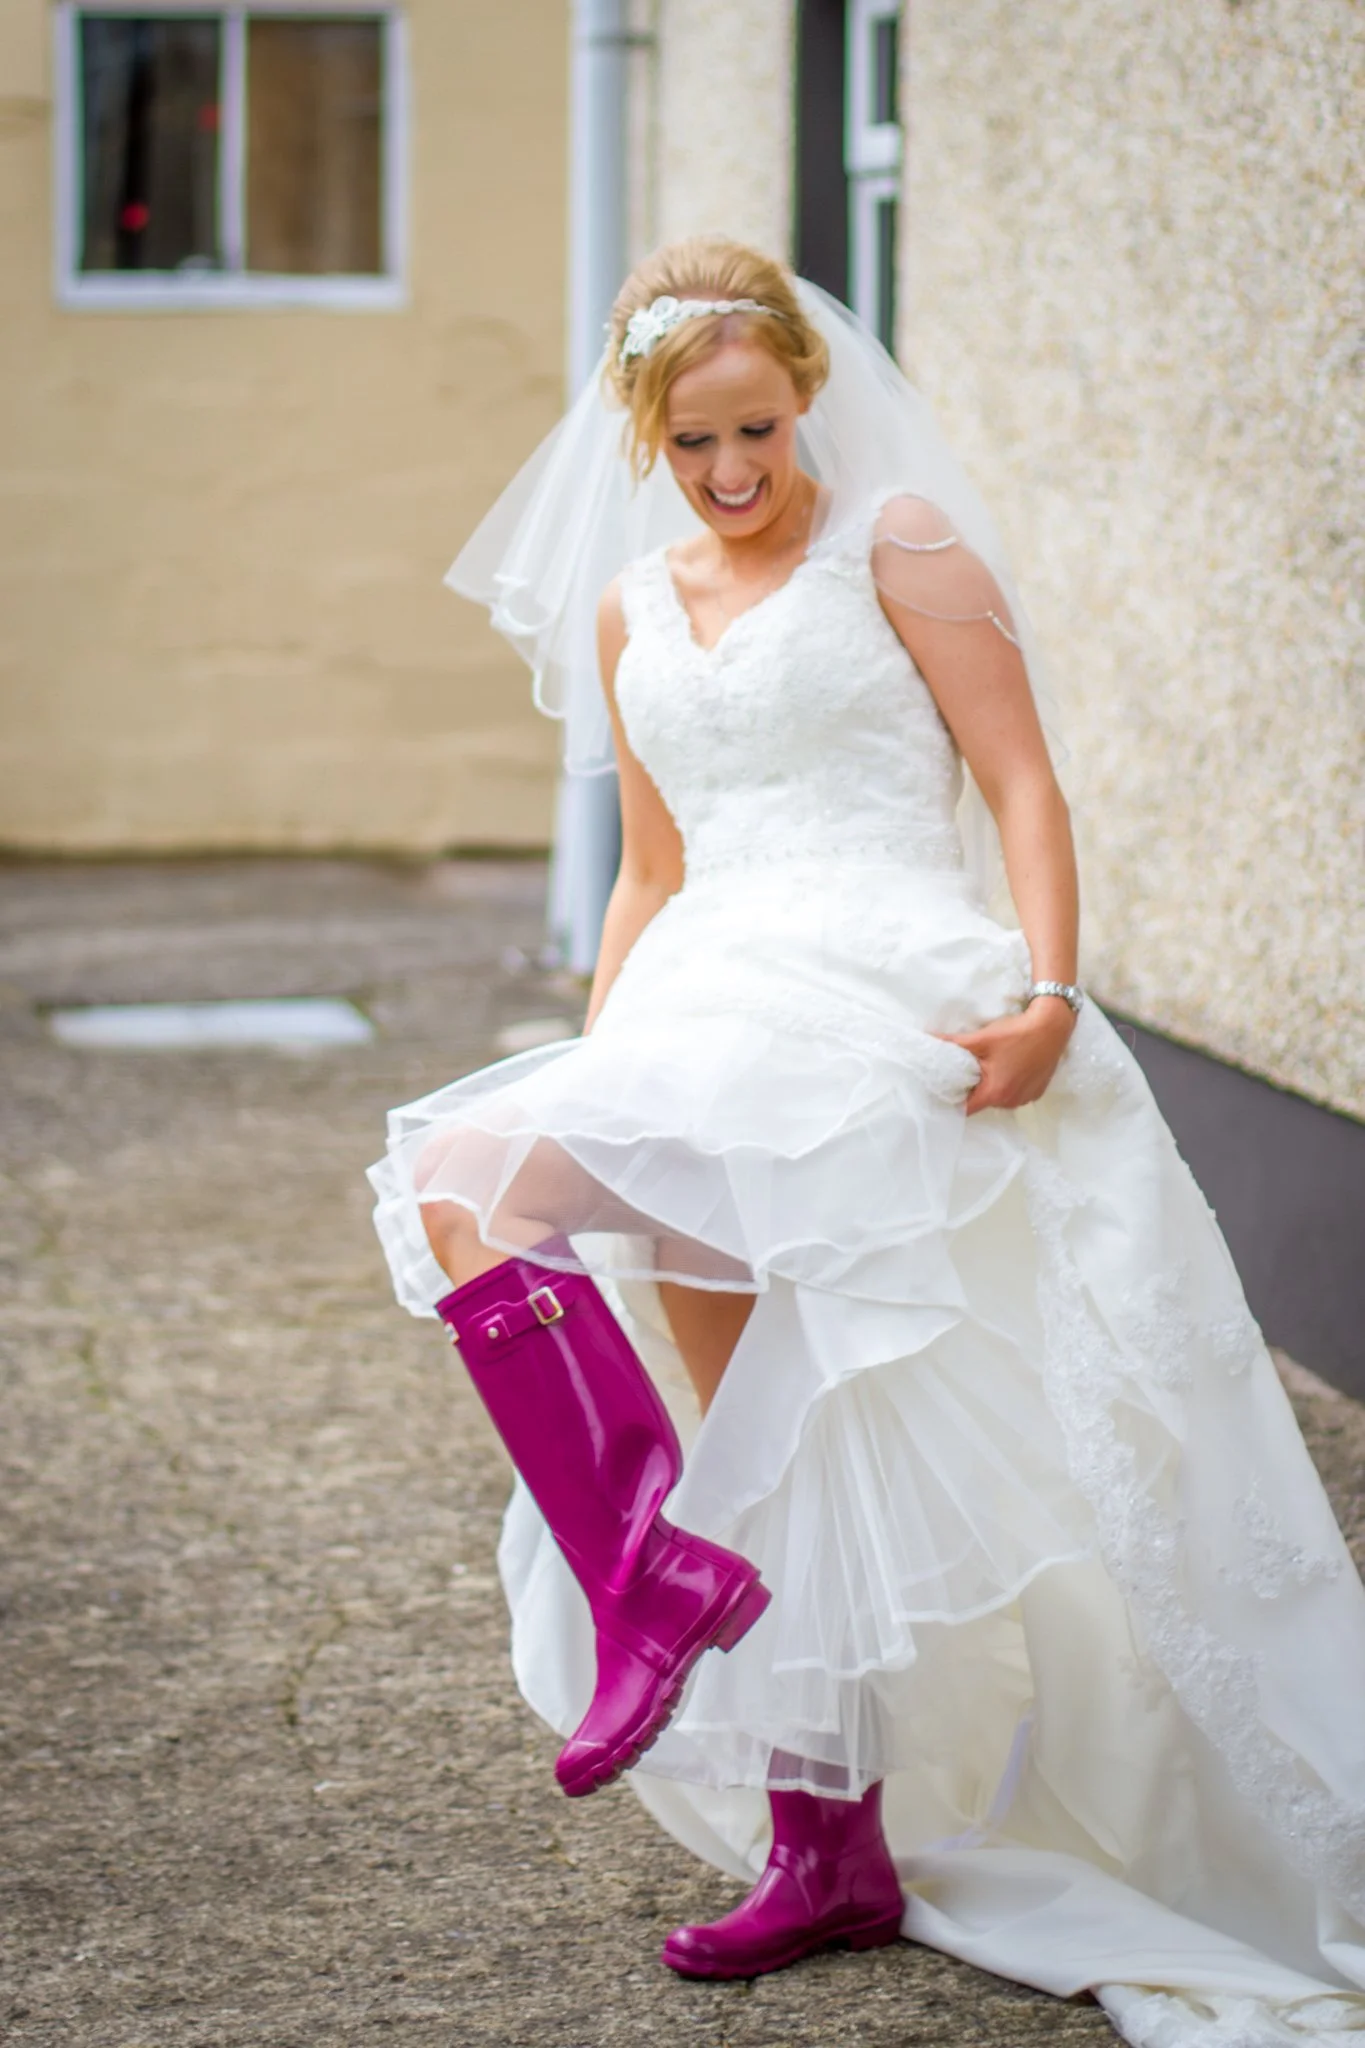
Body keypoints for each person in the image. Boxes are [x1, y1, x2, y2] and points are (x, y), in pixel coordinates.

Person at [369, 239, 1365, 2043]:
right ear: (645, 436)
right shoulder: (630, 612)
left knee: (794, 1398)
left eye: (757, 429)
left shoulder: (894, 546)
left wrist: (1051, 994)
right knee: (506, 1220)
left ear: (805, 397)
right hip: (706, 1014)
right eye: (696, 443)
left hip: (879, 1002)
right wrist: (611, 1072)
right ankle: (785, 1784)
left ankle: (682, 1632)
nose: (733, 470)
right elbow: (653, 870)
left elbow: (1022, 780)